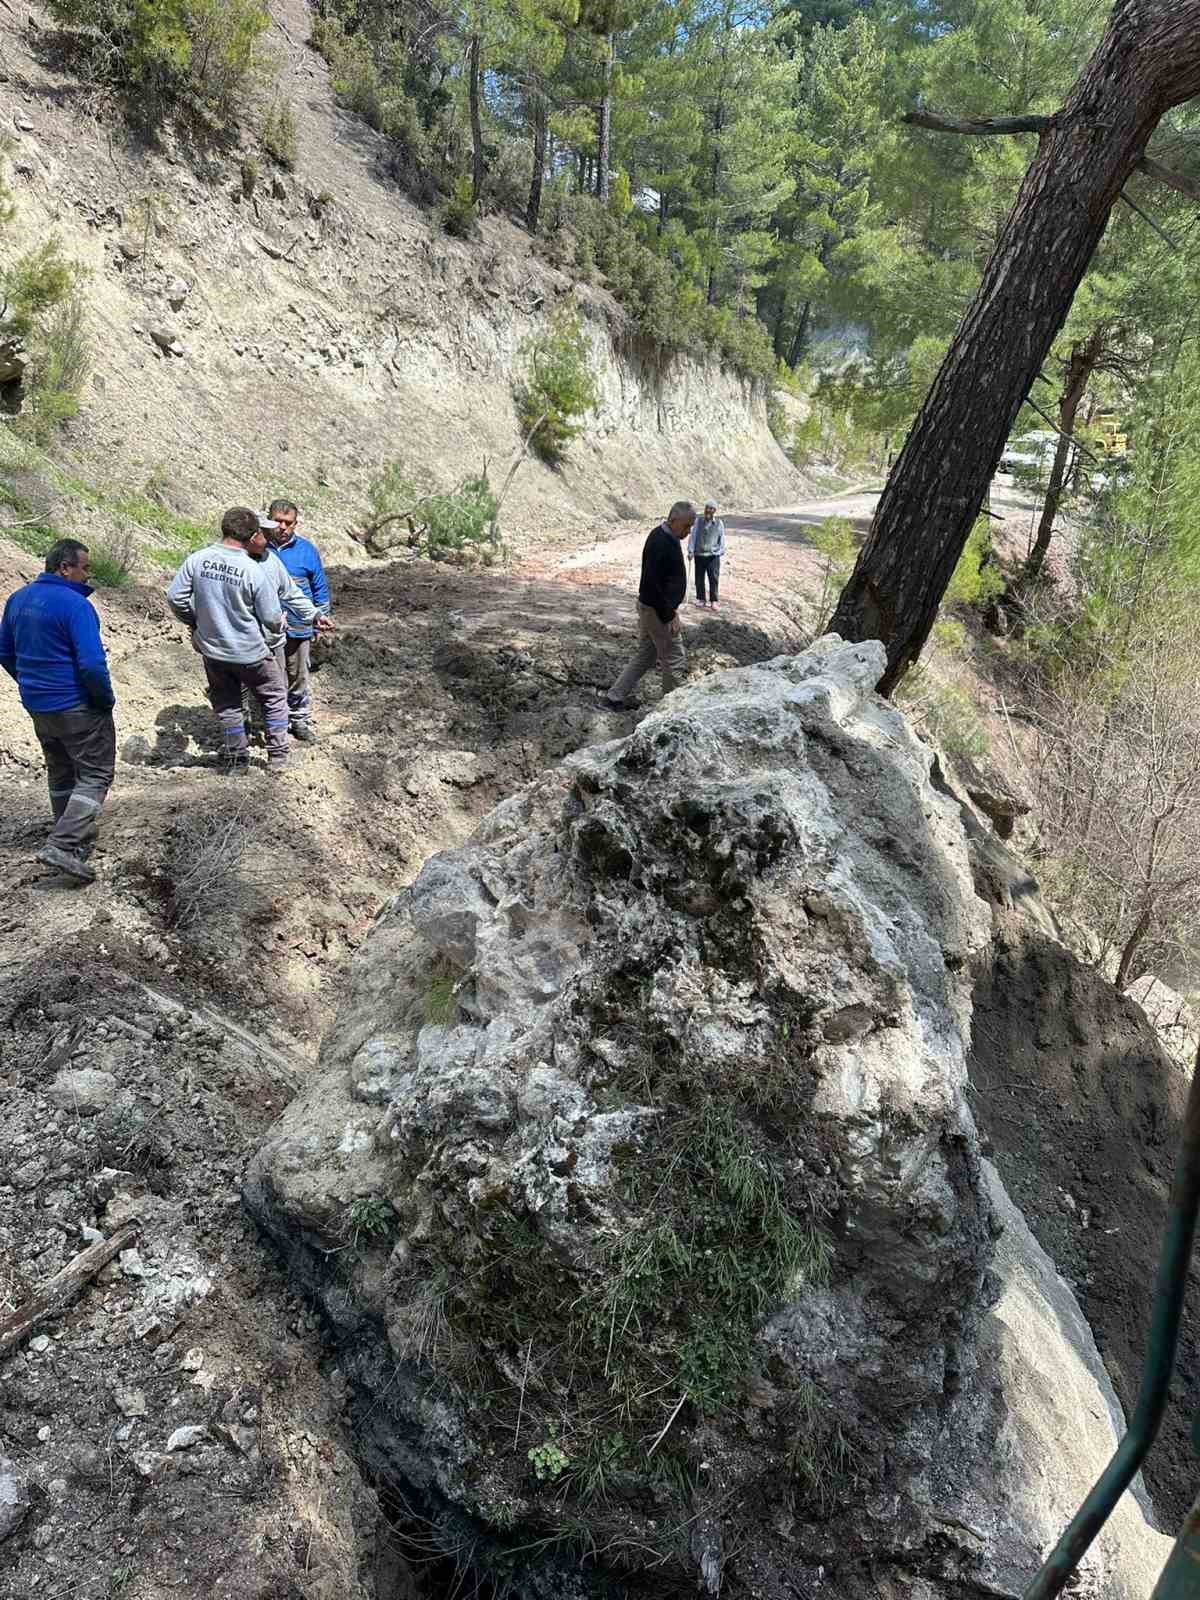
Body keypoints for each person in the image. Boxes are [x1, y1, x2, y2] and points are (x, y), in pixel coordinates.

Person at [0, 538, 116, 883]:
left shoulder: (19, 599)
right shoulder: (75, 606)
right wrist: (103, 699)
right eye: (84, 568)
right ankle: (64, 844)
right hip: (76, 704)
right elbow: (93, 664)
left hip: (38, 703)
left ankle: (70, 836)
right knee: (95, 774)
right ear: (65, 567)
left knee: (61, 771)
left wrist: (29, 681)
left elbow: (5, 651)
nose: (87, 575)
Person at [166, 507, 293, 772]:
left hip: (214, 650)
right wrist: (280, 622)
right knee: (274, 696)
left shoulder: (197, 560)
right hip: (251, 652)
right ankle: (278, 757)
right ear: (253, 535)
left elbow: (175, 597)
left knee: (228, 705)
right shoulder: (251, 569)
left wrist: (195, 622)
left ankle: (237, 760)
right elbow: (270, 616)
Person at [602, 501, 694, 712]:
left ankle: (613, 697)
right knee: (674, 659)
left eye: (690, 527)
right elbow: (652, 584)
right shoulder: (660, 541)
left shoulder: (666, 537)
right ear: (673, 520)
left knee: (645, 655)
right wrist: (669, 614)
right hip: (656, 611)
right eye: (686, 526)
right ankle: (673, 711)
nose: (688, 532)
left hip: (651, 608)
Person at [264, 499, 331, 742]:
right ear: (268, 519)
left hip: (299, 624)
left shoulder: (307, 550)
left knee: (299, 674)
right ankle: (272, 720)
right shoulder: (258, 548)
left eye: (288, 523)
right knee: (270, 675)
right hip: (265, 627)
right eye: (277, 521)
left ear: (296, 523)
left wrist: (320, 619)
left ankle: (299, 719)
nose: (282, 527)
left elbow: (319, 588)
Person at [687, 500, 726, 610]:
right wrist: (690, 551)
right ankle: (701, 599)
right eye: (707, 508)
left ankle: (714, 601)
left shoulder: (719, 523)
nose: (708, 510)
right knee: (699, 578)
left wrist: (718, 552)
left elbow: (721, 540)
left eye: (711, 508)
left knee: (713, 578)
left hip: (713, 556)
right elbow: (693, 537)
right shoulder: (698, 522)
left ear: (715, 511)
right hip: (699, 555)